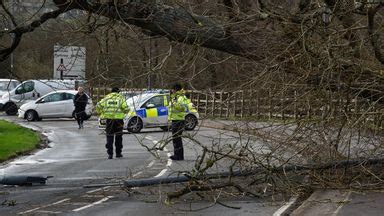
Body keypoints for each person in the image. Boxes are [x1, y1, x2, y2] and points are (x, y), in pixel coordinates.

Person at [96, 87, 129, 159]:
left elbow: (98, 105)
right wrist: (124, 112)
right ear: (118, 92)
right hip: (118, 120)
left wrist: (101, 113)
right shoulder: (120, 98)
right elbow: (126, 108)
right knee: (118, 137)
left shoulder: (107, 98)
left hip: (109, 120)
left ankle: (110, 154)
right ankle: (118, 153)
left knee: (109, 136)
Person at [168, 83, 190, 161]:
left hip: (179, 120)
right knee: (175, 139)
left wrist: (174, 105)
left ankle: (180, 156)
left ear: (175, 89)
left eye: (172, 89)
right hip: (175, 119)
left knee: (177, 139)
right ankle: (176, 154)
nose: (171, 91)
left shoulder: (181, 97)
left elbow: (183, 108)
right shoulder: (175, 97)